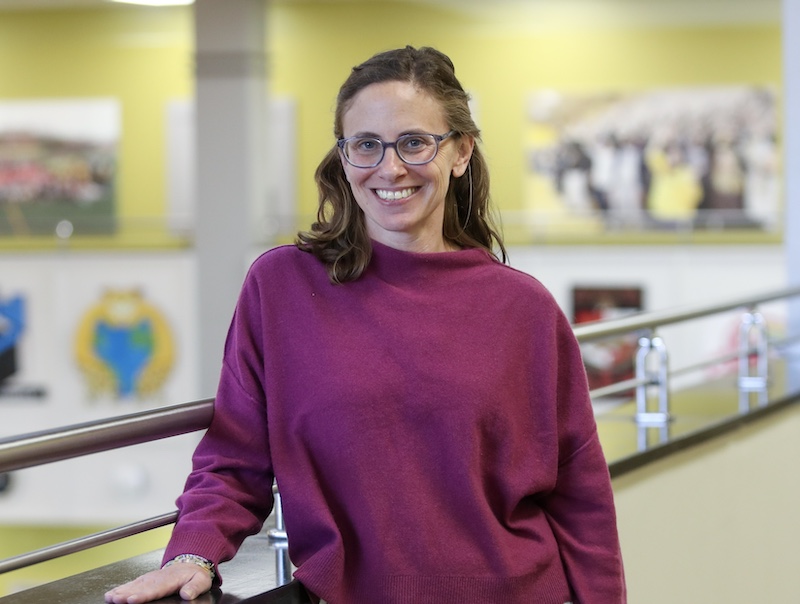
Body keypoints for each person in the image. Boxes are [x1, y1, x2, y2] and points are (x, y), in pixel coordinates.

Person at [105, 45, 626, 604]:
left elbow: (580, 495)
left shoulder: (524, 308)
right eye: (366, 145)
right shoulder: (281, 288)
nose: (390, 167)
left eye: (415, 142)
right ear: (343, 156)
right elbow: (235, 455)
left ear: (461, 152)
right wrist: (192, 552)